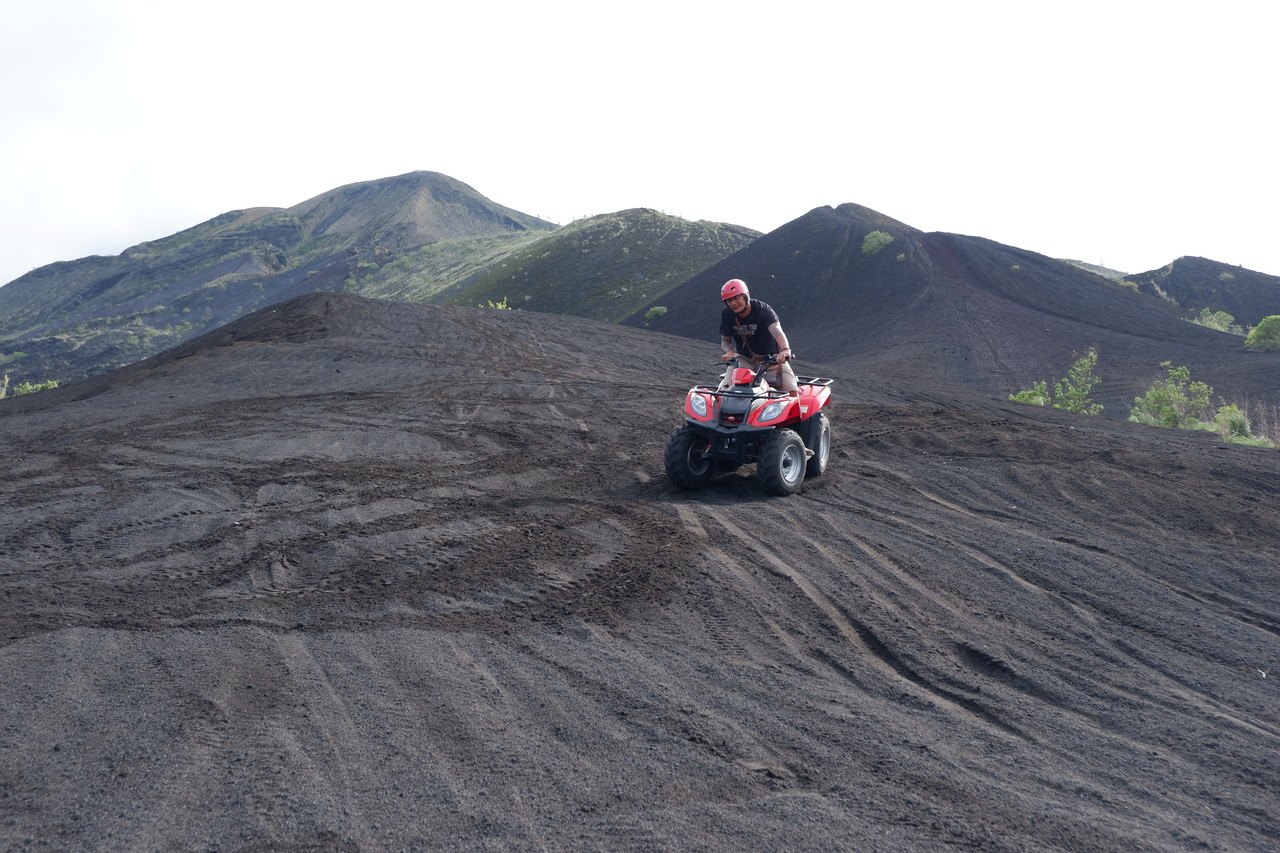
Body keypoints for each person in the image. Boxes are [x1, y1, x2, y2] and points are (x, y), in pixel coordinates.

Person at [718, 278, 799, 395]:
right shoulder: (727, 314)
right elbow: (725, 341)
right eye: (729, 300)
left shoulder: (763, 310)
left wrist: (785, 350)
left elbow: (776, 331)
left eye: (737, 297)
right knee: (723, 393)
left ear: (746, 296)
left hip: (771, 360)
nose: (733, 303)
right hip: (744, 360)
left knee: (792, 394)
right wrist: (729, 352)